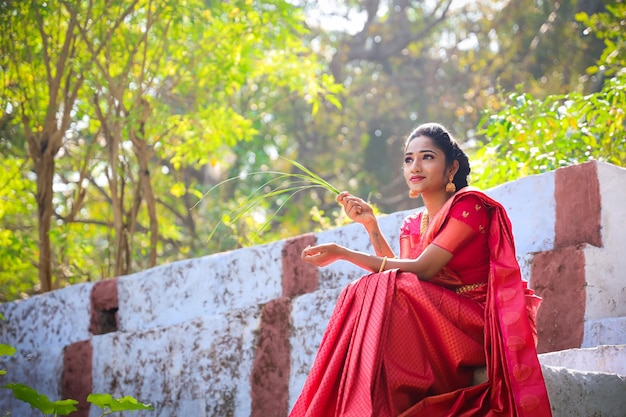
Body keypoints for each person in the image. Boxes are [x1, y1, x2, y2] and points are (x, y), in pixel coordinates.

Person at [289, 123, 552, 417]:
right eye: (408, 159)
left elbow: (422, 271)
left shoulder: (469, 206)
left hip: (478, 322)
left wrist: (345, 254)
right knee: (372, 290)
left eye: (427, 157)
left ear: (451, 168)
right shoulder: (413, 223)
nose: (415, 166)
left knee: (384, 287)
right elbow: (398, 277)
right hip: (435, 317)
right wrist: (370, 225)